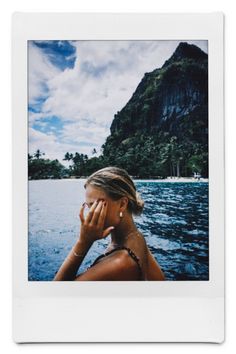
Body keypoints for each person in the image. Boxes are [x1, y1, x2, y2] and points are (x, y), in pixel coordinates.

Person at [53, 166, 165, 281]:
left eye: (96, 205)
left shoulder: (120, 263)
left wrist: (83, 242)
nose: (91, 213)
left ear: (122, 204)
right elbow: (159, 280)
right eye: (88, 206)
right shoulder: (137, 237)